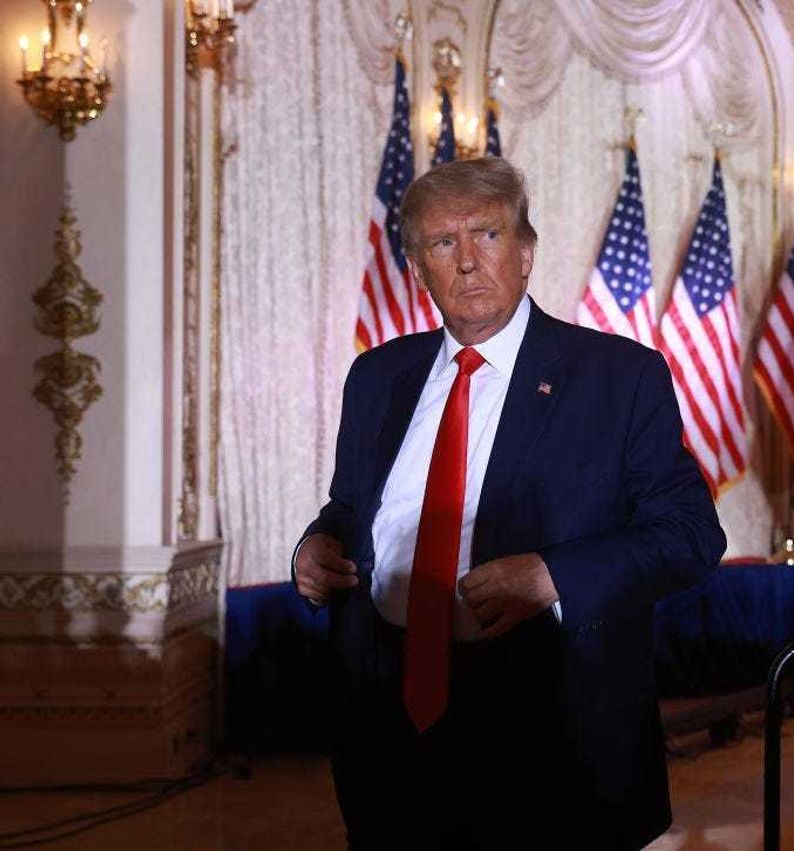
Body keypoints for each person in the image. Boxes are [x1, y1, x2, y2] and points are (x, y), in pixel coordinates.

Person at [292, 157, 725, 850]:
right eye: (442, 243)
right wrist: (314, 547)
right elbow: (352, 509)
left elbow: (690, 536)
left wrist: (553, 574)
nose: (466, 261)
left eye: (487, 236)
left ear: (525, 252)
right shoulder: (377, 378)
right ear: (416, 267)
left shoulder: (617, 377)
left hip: (549, 737)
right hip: (388, 728)